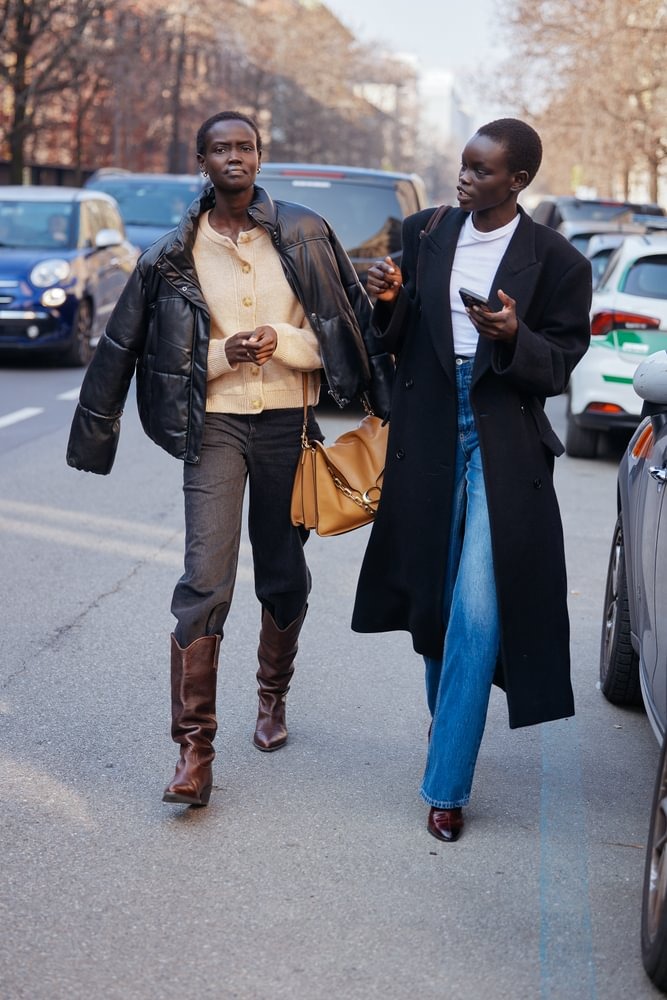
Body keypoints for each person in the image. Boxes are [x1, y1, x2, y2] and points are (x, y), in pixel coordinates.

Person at [66, 110, 392, 808]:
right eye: (220, 149)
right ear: (203, 161)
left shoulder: (303, 232)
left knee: (280, 571)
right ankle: (195, 751)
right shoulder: (172, 252)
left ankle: (271, 695)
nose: (233, 157)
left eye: (243, 146)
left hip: (285, 424)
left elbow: (343, 323)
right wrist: (223, 354)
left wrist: (283, 342)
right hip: (212, 427)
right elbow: (127, 347)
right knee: (204, 580)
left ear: (259, 155)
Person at [351, 118, 592, 842]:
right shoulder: (425, 232)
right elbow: (391, 340)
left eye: (481, 171)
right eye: (462, 165)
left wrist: (515, 337)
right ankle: (449, 731)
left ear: (515, 180)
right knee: (433, 604)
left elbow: (557, 367)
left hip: (502, 439)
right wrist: (389, 298)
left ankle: (445, 784)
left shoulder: (556, 261)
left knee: (479, 610)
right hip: (426, 432)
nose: (464, 178)